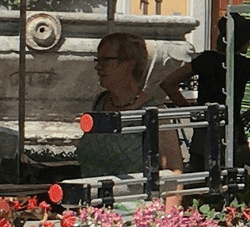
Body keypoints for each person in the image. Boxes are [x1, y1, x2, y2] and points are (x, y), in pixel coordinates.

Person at [160, 17, 250, 164]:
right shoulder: (246, 65)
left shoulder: (205, 60)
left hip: (204, 127)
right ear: (241, 41)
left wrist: (187, 108)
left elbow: (168, 83)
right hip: (232, 130)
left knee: (200, 175)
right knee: (231, 176)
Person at [78, 32, 183, 178]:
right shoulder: (100, 102)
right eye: (97, 60)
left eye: (106, 60)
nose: (98, 67)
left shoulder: (155, 114)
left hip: (133, 200)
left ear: (129, 64)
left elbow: (174, 171)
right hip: (92, 198)